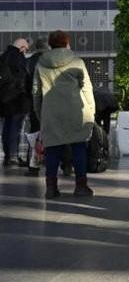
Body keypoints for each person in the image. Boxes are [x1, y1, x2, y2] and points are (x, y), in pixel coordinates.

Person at [31, 31, 95, 198]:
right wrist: (91, 112)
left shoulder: (40, 63)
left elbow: (36, 92)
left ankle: (51, 188)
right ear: (67, 43)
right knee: (78, 147)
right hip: (75, 111)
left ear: (50, 44)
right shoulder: (77, 61)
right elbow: (87, 89)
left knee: (52, 150)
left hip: (51, 112)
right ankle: (81, 187)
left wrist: (40, 113)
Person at [1, 38, 31, 167]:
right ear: (22, 47)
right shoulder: (18, 58)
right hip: (17, 99)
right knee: (15, 128)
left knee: (7, 128)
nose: (25, 52)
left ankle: (8, 155)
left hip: (4, 100)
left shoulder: (3, 57)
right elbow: (23, 78)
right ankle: (13, 156)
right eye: (26, 49)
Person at [24, 38, 49, 176]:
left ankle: (34, 166)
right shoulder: (51, 61)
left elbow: (27, 84)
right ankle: (65, 164)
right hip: (52, 102)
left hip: (34, 103)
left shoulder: (29, 61)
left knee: (35, 134)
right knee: (58, 134)